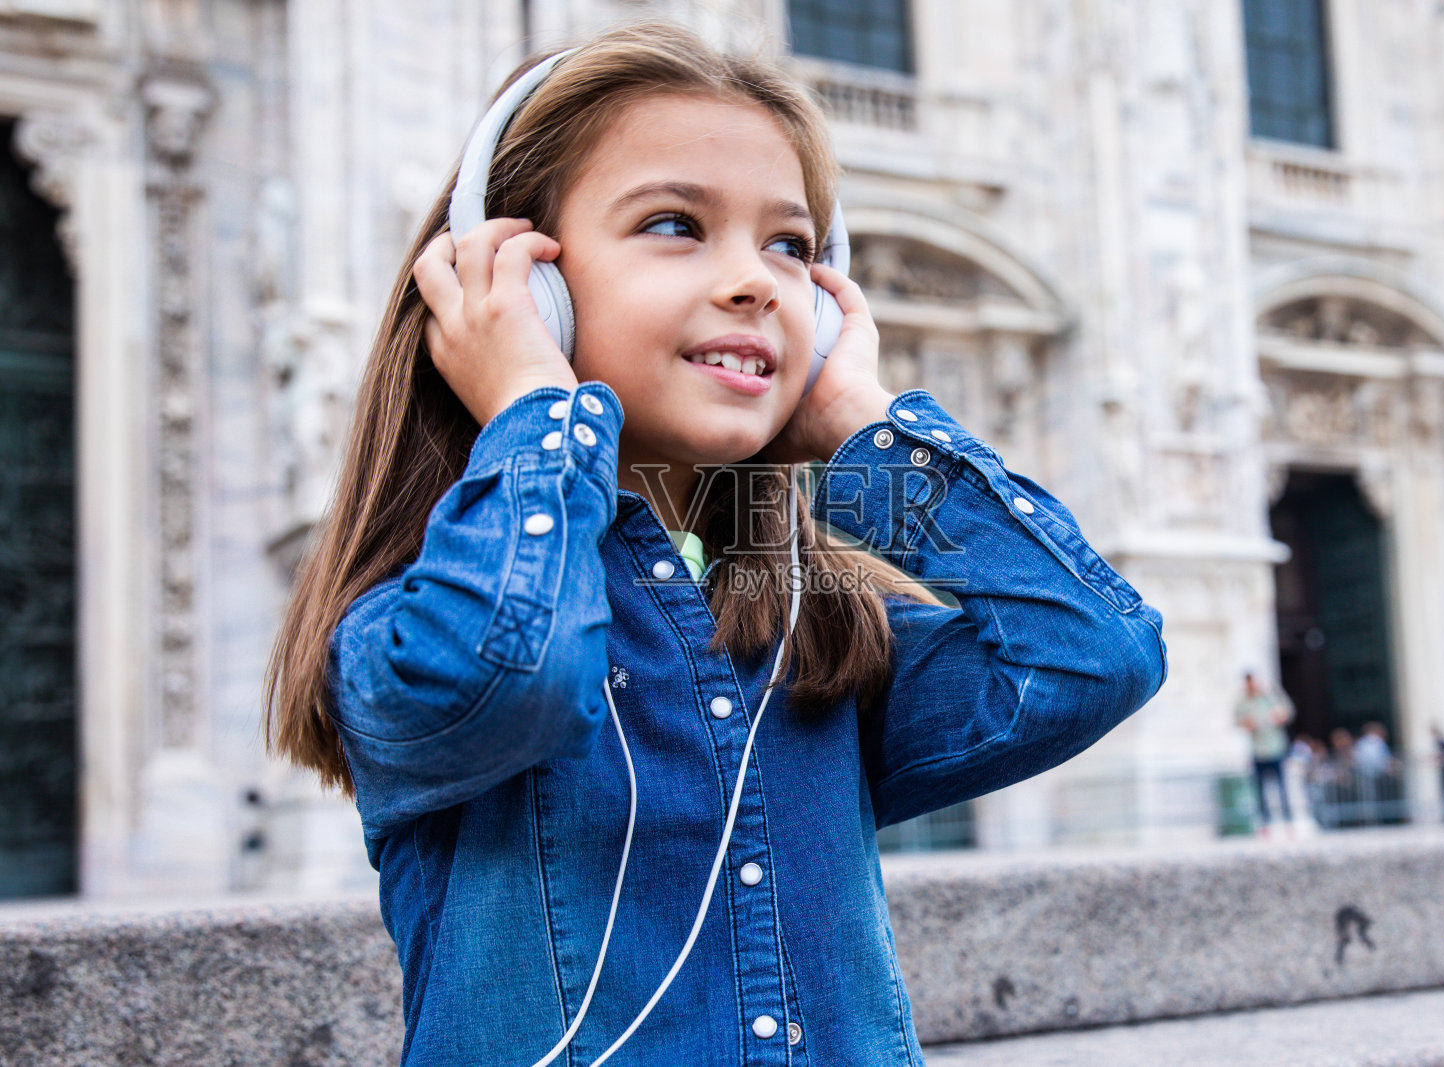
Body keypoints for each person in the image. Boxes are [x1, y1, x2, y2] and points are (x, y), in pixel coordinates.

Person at [263, 23, 1165, 1065]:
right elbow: (509, 675)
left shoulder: (822, 641)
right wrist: (533, 409)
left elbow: (1095, 652)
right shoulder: (399, 638)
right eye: (674, 223)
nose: (755, 280)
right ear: (522, 288)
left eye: (789, 245)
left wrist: (868, 430)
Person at [1234, 671, 1294, 829]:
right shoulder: (1243, 702)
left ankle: (1288, 822)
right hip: (1258, 751)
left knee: (1281, 788)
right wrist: (1248, 723)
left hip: (1275, 748)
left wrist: (1277, 717)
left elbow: (1287, 712)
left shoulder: (1270, 697)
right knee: (1260, 790)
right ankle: (1265, 824)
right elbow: (1237, 721)